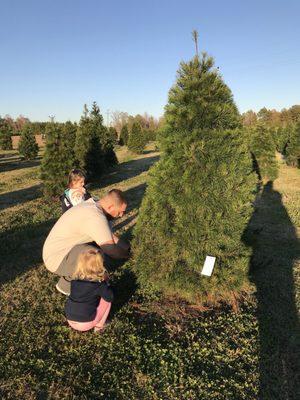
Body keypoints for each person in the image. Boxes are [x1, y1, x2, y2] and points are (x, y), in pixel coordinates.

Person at [42, 188, 130, 295]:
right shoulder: (95, 217)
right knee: (94, 257)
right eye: (120, 211)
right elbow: (110, 249)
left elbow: (109, 236)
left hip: (60, 249)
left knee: (96, 249)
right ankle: (67, 285)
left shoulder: (94, 204)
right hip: (56, 258)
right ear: (110, 206)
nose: (121, 215)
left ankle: (68, 280)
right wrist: (128, 256)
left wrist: (127, 247)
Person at [65, 248, 113, 332]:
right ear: (100, 265)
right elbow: (110, 296)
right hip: (86, 323)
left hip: (70, 319)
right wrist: (106, 283)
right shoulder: (99, 285)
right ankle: (99, 326)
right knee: (106, 300)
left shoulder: (74, 282)